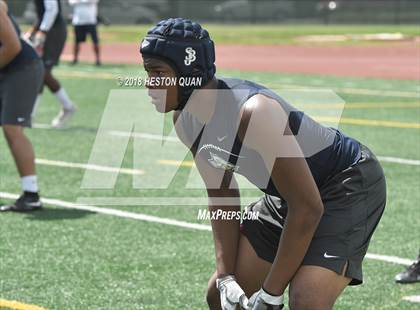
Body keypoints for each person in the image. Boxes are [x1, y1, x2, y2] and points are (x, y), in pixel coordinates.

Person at [140, 18, 387, 310]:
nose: (149, 83)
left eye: (158, 73)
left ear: (189, 73)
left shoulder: (254, 113)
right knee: (217, 298)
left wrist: (271, 293)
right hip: (289, 195)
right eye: (147, 72)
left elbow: (308, 207)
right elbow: (222, 195)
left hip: (346, 184)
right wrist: (226, 277)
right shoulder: (185, 120)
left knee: (305, 300)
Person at [0, 0, 44, 211]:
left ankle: (31, 194)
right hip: (5, 69)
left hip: (22, 67)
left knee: (12, 128)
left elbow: (12, 47)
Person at [25, 0, 76, 128]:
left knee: (42, 71)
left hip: (53, 31)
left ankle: (67, 106)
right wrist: (34, 29)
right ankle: (31, 115)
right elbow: (43, 12)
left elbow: (52, 9)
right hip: (49, 29)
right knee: (40, 72)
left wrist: (42, 30)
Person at [69, 0, 101, 66]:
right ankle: (75, 59)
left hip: (91, 21)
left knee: (95, 41)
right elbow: (72, 2)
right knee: (76, 42)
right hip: (78, 22)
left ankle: (98, 60)